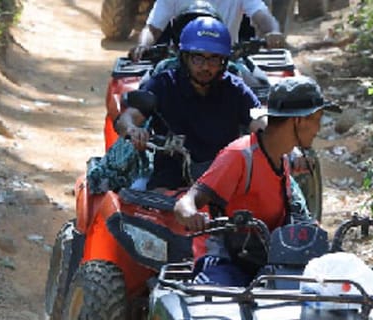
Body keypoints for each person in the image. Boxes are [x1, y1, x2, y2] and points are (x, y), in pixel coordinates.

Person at [173, 76, 341, 286]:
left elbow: (296, 216)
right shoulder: (240, 156)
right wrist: (191, 215)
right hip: (225, 260)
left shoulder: (283, 158)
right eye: (316, 119)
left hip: (265, 259)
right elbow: (186, 202)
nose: (318, 129)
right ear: (297, 120)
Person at [116, 16, 265, 191]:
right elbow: (127, 118)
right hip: (170, 179)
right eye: (198, 59)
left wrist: (284, 143)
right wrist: (133, 130)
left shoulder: (235, 88)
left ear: (224, 62)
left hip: (224, 178)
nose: (205, 67)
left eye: (213, 59)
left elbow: (260, 119)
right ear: (185, 58)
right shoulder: (164, 84)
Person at [131, 0, 285, 61]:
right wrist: (144, 45)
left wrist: (272, 32)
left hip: (228, 60)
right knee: (144, 90)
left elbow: (262, 15)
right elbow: (152, 28)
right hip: (179, 60)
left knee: (263, 89)